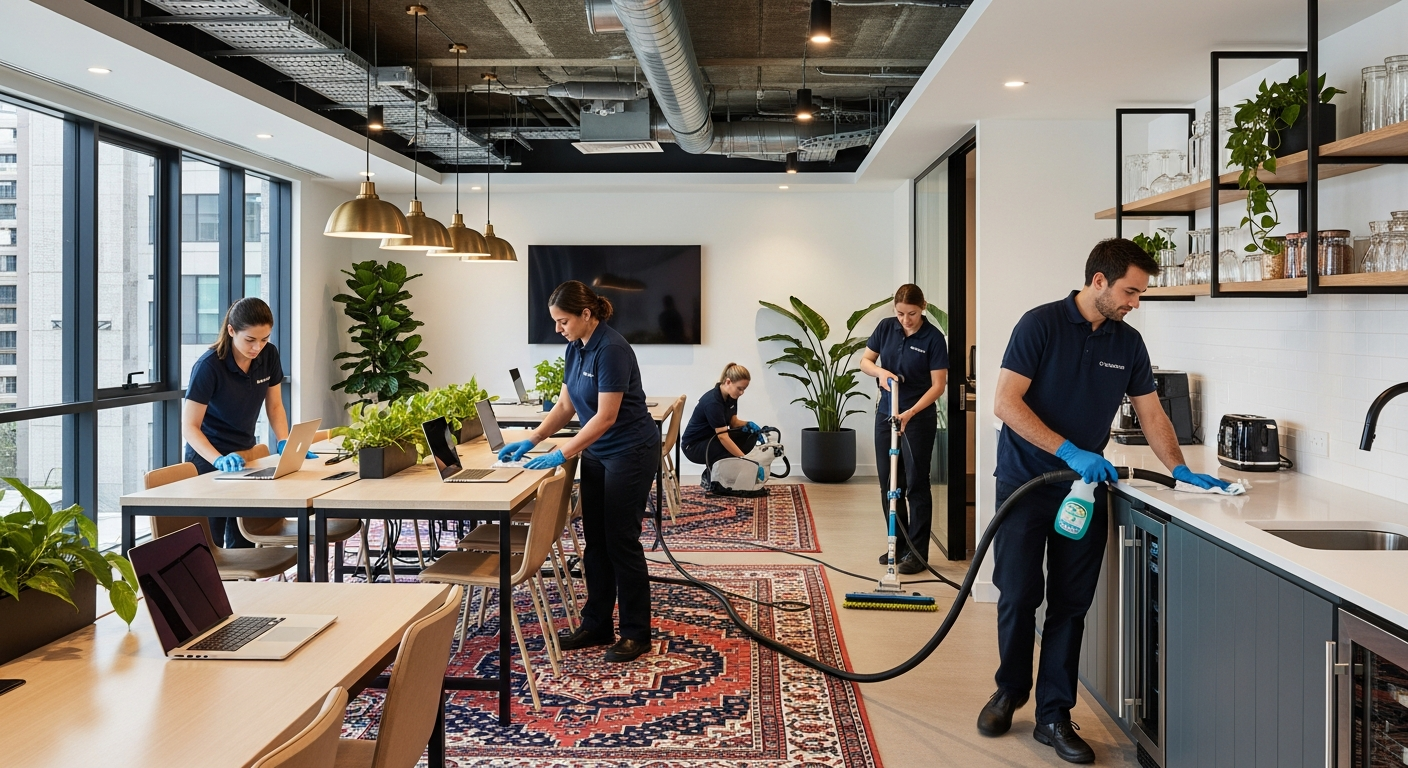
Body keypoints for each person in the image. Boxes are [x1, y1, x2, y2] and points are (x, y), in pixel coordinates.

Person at [979, 238, 1229, 763]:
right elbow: (1006, 402)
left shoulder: (1127, 344)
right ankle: (1009, 691)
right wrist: (1069, 449)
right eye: (1130, 291)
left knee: (1071, 605)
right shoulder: (1039, 325)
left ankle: (1053, 714)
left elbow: (1152, 412)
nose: (1136, 302)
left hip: (1083, 493)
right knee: (1018, 594)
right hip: (1024, 485)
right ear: (1098, 281)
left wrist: (1181, 469)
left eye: (1139, 293)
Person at [498, 280, 661, 663]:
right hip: (599, 453)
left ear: (586, 315)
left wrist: (561, 455)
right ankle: (597, 623)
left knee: (621, 541)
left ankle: (637, 632)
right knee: (596, 543)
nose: (558, 329)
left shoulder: (613, 349)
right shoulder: (576, 349)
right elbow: (566, 405)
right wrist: (535, 437)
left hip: (631, 451)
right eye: (555, 322)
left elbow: (605, 416)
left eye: (563, 321)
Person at [182, 297, 309, 549]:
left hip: (246, 458)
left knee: (243, 541)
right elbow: (189, 426)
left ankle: (242, 589)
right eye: (250, 340)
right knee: (212, 544)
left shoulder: (268, 356)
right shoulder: (208, 367)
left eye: (264, 339)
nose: (257, 348)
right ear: (231, 330)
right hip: (209, 461)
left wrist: (284, 440)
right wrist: (217, 459)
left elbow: (274, 405)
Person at [858, 284, 948, 575]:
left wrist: (910, 412)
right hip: (886, 414)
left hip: (917, 418)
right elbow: (865, 361)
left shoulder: (933, 338)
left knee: (916, 484)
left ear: (923, 306)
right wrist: (880, 372)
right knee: (888, 482)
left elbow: (938, 386)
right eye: (900, 313)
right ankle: (896, 544)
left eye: (911, 313)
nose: (906, 320)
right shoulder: (886, 328)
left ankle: (917, 553)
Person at [681, 363, 762, 480]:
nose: (741, 393)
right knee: (726, 444)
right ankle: (712, 478)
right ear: (728, 382)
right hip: (693, 447)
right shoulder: (713, 402)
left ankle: (726, 474)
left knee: (748, 436)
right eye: (740, 388)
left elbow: (733, 422)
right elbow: (723, 437)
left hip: (711, 439)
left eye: (744, 389)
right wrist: (746, 461)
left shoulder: (731, 396)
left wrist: (749, 425)